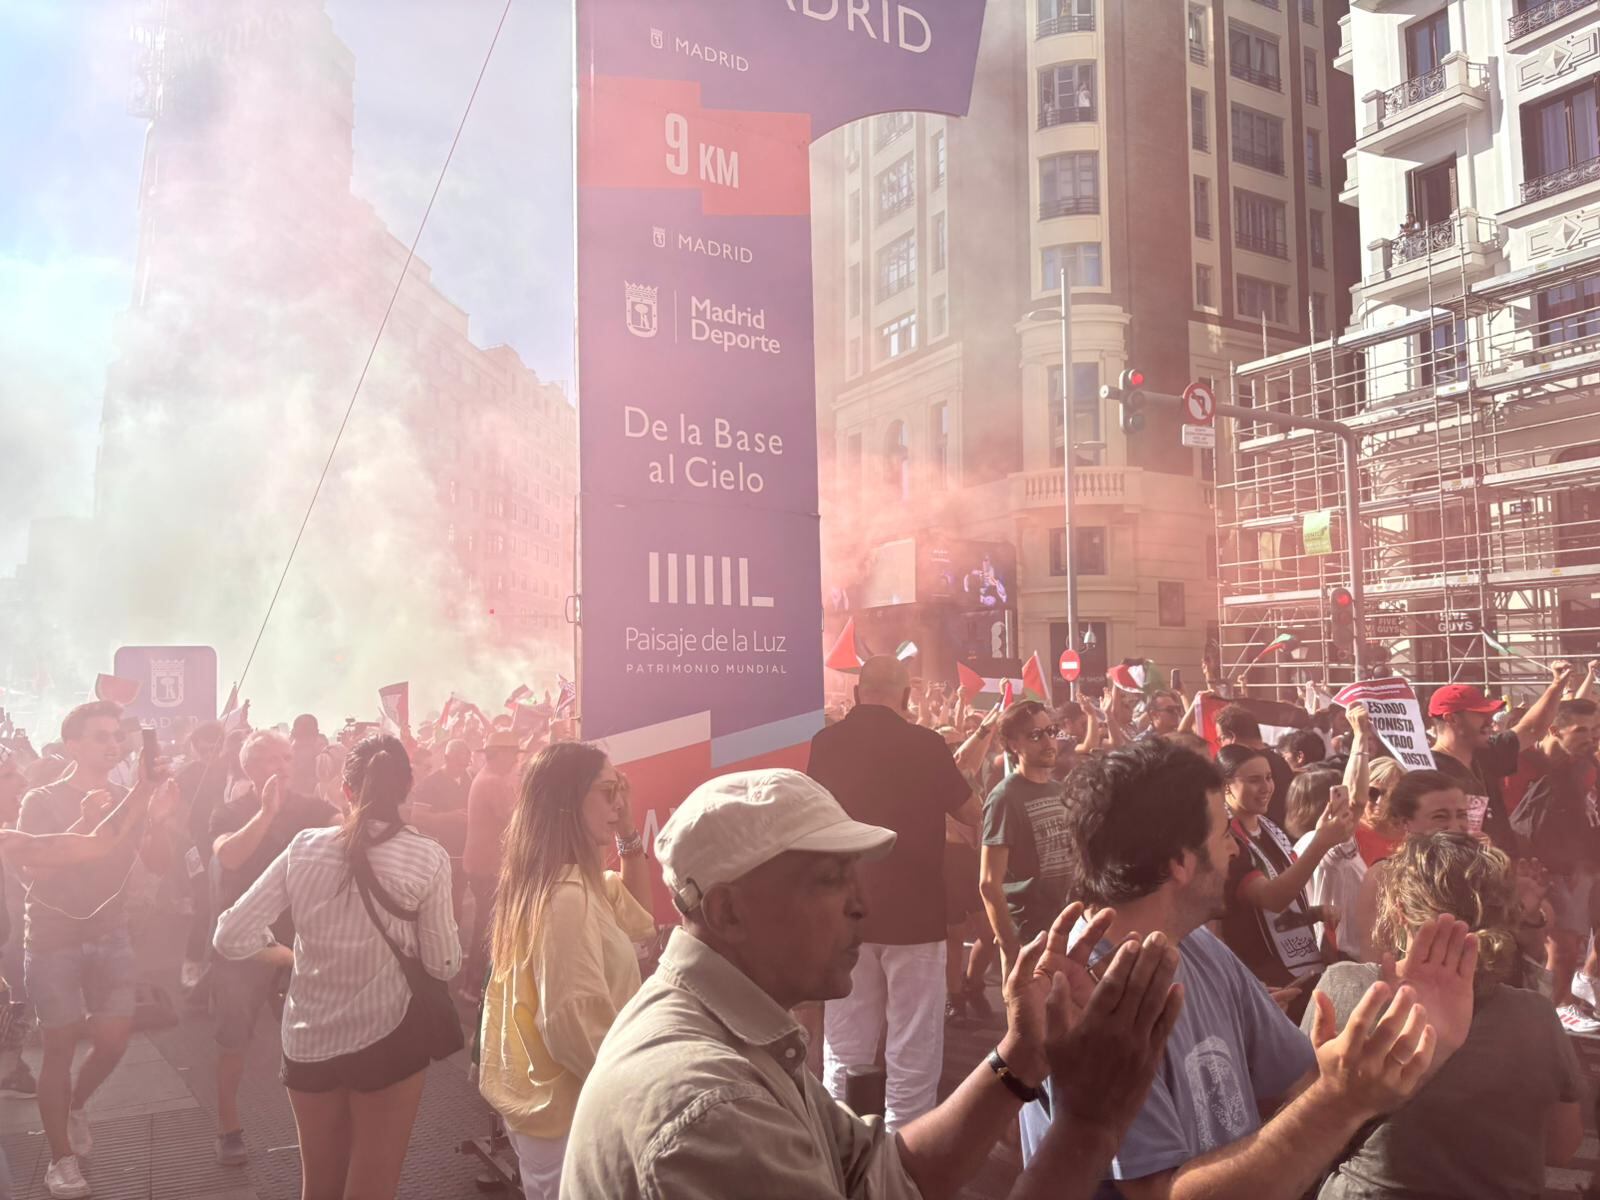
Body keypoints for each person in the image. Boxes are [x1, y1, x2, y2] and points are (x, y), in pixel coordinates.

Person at [562, 766, 1187, 1200]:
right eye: (830, 880)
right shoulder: (711, 1112)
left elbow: (883, 1178)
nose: (865, 905)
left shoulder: (731, 1030)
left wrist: (1025, 1053)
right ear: (728, 912)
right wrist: (1089, 1127)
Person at [1023, 737, 1478, 1198]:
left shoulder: (1200, 949)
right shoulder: (1085, 997)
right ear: (1180, 862)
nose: (1235, 850)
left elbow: (1302, 1090)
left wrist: (1417, 1043)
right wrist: (1339, 1099)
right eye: (1224, 834)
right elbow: (1161, 1195)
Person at [213, 734, 460, 1200]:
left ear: (344, 791)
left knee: (319, 1186)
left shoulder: (305, 847)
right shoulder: (427, 856)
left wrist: (291, 955)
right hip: (389, 1034)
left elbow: (230, 936)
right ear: (407, 787)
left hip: (308, 1039)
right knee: (372, 1186)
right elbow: (443, 962)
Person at [1303, 832, 1583, 1198]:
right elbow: (1563, 1146)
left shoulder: (1348, 988)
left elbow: (1298, 1123)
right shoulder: (1535, 1016)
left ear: (1400, 911)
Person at [806, 655, 981, 1131]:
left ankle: (839, 1148)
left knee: (844, 1044)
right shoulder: (925, 745)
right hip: (916, 915)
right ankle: (904, 1156)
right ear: (906, 696)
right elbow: (971, 812)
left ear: (860, 693)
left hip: (844, 912)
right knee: (913, 1046)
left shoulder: (826, 743)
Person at [477, 742, 653, 1197]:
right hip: (571, 1111)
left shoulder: (564, 879)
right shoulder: (566, 898)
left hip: (558, 1108)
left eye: (619, 791)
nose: (617, 802)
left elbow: (640, 920)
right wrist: (646, 1095)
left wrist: (627, 827)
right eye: (606, 792)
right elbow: (571, 1025)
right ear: (566, 800)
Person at [19, 701, 177, 1200]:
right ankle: (61, 1161)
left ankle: (76, 1104)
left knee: (113, 1040)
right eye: (99, 737)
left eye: (116, 736)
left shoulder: (134, 794)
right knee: (59, 1048)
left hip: (111, 932)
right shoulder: (42, 798)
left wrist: (158, 819)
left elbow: (157, 861)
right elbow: (36, 869)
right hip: (52, 938)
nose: (112, 745)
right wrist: (85, 824)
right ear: (72, 745)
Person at [207, 729, 337, 1166]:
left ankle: (323, 1127)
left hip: (301, 940)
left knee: (318, 1038)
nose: (281, 766)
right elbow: (228, 857)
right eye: (269, 760)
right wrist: (265, 812)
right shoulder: (230, 811)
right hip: (244, 944)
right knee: (233, 1041)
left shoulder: (314, 808)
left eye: (285, 757)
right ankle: (228, 1127)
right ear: (249, 768)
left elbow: (351, 833)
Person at [1217, 745, 1353, 1010]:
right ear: (1226, 787)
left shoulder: (1268, 827)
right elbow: (1271, 899)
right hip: (1261, 976)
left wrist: (1313, 914)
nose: (1266, 787)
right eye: (1254, 780)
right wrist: (1321, 842)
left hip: (1298, 968)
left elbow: (1278, 913)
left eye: (1268, 777)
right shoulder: (1226, 840)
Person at [1513, 698, 1600, 1026]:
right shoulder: (1531, 764)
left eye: (1595, 729)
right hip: (1554, 871)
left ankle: (1583, 987)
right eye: (1581, 730)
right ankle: (1556, 1012)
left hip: (1586, 865)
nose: (1591, 737)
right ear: (1553, 730)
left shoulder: (1584, 762)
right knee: (1562, 948)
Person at [1428, 666, 1572, 851]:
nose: (1490, 722)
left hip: (1500, 869)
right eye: (1481, 715)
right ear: (1452, 719)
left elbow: (1532, 729)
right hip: (1466, 873)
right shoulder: (1428, 770)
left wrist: (1557, 685)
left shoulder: (1487, 751)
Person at [980, 702, 1071, 973]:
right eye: (1035, 735)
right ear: (1012, 744)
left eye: (1051, 731)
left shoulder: (1060, 791)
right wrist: (1010, 946)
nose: (1048, 741)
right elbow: (988, 883)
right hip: (1029, 935)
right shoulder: (1005, 798)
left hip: (1065, 929)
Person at [1349, 770, 1473, 967]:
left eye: (1461, 815)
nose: (1455, 826)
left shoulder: (1480, 870)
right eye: (1440, 817)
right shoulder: (1383, 877)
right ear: (1404, 822)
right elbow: (1376, 964)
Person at [461, 730, 521, 1001]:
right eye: (513, 754)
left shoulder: (487, 778)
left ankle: (473, 984)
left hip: (482, 864)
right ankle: (475, 986)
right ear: (502, 754)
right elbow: (514, 820)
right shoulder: (492, 782)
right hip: (488, 866)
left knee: (485, 925)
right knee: (488, 927)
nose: (515, 760)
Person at [175, 721, 227, 996]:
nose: (210, 754)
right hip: (195, 848)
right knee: (204, 906)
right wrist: (187, 843)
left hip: (224, 846)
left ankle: (220, 967)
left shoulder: (229, 770)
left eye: (215, 748)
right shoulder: (185, 775)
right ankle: (192, 964)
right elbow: (175, 818)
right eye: (204, 749)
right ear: (194, 748)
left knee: (226, 905)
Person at [409, 738, 473, 923]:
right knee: (442, 905)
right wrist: (449, 817)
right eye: (457, 762)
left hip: (464, 852)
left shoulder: (470, 779)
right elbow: (417, 817)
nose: (461, 767)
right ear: (446, 758)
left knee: (458, 901)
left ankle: (457, 943)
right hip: (440, 854)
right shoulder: (430, 784)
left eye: (465, 763)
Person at [1214, 704, 1294, 827]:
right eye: (1254, 780)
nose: (1266, 788)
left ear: (1231, 737)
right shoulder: (1281, 762)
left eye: (1221, 739)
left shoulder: (1269, 833)